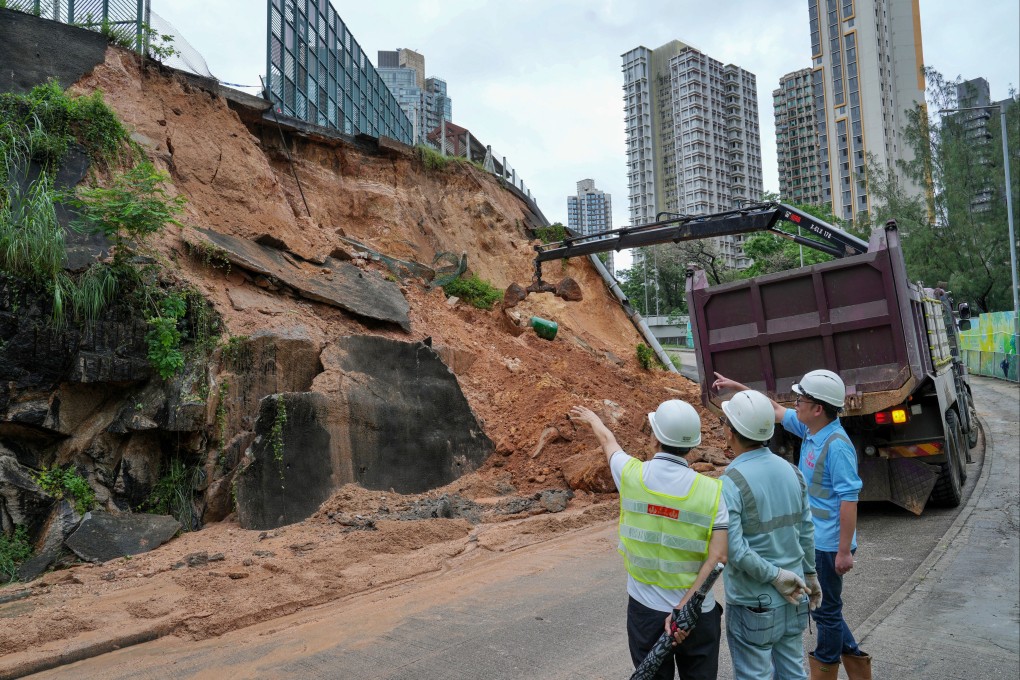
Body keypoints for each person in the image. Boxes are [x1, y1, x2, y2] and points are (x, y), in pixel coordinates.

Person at [712, 370, 870, 680]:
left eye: (800, 399)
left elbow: (849, 499)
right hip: (811, 547)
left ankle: (827, 669)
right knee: (825, 610)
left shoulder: (836, 445)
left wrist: (843, 550)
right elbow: (768, 411)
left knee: (828, 612)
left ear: (818, 408)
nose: (794, 403)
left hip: (828, 545)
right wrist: (738, 387)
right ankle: (855, 664)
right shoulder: (811, 430)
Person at [570, 400, 729, 680]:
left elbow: (609, 444)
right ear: (692, 446)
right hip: (696, 615)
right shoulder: (713, 492)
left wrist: (594, 420)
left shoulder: (631, 475)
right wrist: (683, 609)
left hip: (646, 613)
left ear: (655, 438)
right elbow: (718, 558)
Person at [718, 390, 818, 680]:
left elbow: (734, 550)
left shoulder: (730, 482)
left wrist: (774, 576)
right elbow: (806, 531)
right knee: (793, 672)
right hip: (796, 594)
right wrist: (810, 575)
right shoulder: (793, 472)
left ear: (731, 432)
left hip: (754, 602)